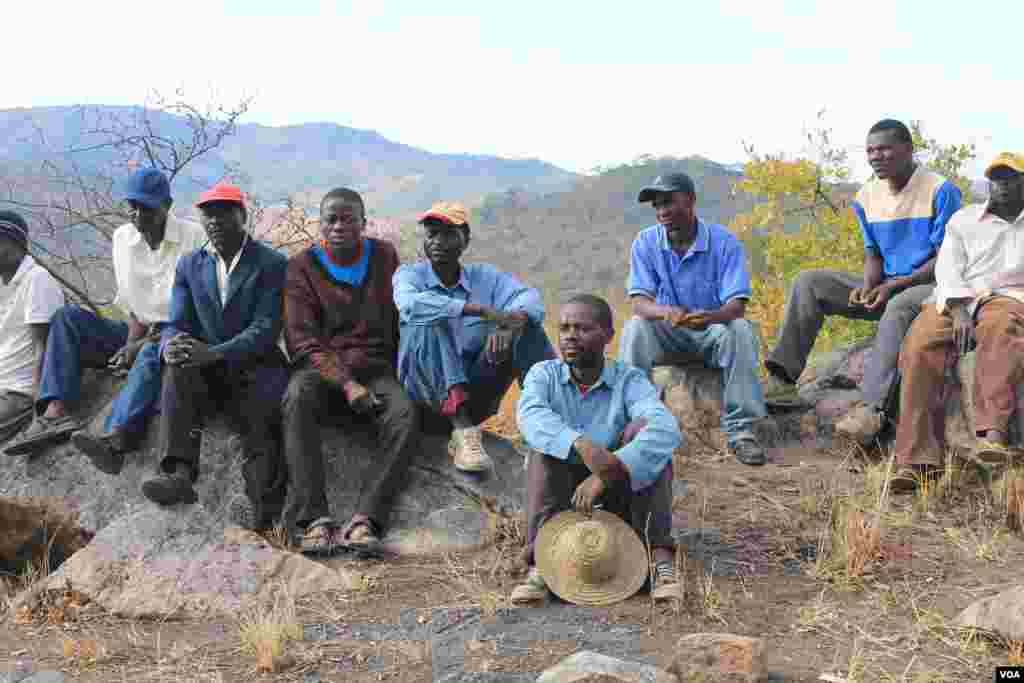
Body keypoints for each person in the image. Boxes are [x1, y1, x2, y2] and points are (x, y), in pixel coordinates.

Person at [764, 119, 962, 446]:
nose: (875, 156)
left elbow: (946, 261)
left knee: (897, 306)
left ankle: (871, 409)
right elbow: (874, 255)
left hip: (930, 285)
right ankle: (782, 379)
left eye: (884, 148)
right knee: (810, 282)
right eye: (870, 150)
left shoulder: (940, 190)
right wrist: (870, 285)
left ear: (908, 149)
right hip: (887, 283)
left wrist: (891, 287)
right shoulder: (867, 195)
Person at [5, 168, 207, 461]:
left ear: (168, 205)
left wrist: (139, 347)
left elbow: (197, 312)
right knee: (68, 318)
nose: (137, 214)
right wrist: (128, 344)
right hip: (140, 330)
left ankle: (116, 436)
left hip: (178, 333)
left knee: (150, 354)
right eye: (132, 207)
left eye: (146, 207)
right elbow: (133, 304)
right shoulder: (123, 239)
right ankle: (55, 413)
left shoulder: (194, 237)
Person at [511, 294, 683, 605]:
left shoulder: (629, 379)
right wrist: (580, 444)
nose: (570, 336)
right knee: (543, 447)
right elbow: (530, 415)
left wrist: (607, 472)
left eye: (582, 328)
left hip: (621, 491)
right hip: (564, 494)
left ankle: (660, 559)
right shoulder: (543, 375)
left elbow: (665, 427)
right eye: (564, 328)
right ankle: (540, 563)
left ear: (608, 336)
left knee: (647, 433)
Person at [140, 182, 289, 530]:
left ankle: (265, 518)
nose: (215, 221)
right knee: (177, 368)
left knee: (261, 430)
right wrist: (172, 343)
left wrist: (215, 353)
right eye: (208, 215)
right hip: (206, 368)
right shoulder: (190, 264)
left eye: (224, 213)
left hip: (256, 366)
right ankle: (178, 473)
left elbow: (265, 328)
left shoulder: (271, 263)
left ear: (243, 216)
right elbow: (177, 322)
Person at [281, 187, 417, 554]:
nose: (339, 226)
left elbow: (401, 318)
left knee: (403, 413)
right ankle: (314, 519)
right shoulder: (302, 267)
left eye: (348, 219)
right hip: (326, 372)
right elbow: (301, 340)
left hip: (375, 370)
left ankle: (366, 519)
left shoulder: (384, 257)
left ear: (363, 223)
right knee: (296, 395)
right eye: (331, 219)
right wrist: (345, 384)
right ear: (320, 224)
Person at [891, 153, 1024, 492]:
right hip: (958, 298)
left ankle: (992, 436)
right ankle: (915, 462)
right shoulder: (965, 219)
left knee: (1001, 330)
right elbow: (947, 267)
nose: (1001, 186)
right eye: (996, 179)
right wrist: (958, 310)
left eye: (1011, 178)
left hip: (1010, 298)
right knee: (919, 344)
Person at [618, 171, 768, 466]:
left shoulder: (723, 242)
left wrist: (712, 317)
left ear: (691, 201)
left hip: (713, 337)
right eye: (657, 206)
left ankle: (741, 432)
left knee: (740, 328)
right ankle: (634, 421)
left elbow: (737, 305)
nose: (662, 212)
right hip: (669, 335)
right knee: (635, 327)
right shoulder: (645, 242)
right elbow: (639, 302)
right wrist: (665, 311)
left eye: (669, 203)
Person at [393, 201, 555, 472]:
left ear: (465, 239)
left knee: (528, 327)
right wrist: (479, 310)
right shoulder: (410, 275)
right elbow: (410, 305)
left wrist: (509, 325)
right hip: (425, 397)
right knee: (427, 318)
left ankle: (547, 428)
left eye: (448, 234)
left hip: (475, 393)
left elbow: (530, 299)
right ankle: (464, 434)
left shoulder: (485, 277)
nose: (438, 241)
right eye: (432, 234)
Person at [0, 210, 64, 444]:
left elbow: (45, 348)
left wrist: (40, 406)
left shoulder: (37, 280)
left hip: (17, 392)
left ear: (14, 242)